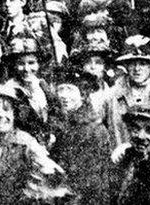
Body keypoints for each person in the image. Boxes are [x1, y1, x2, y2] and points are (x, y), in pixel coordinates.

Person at [0, 85, 67, 204]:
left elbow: (49, 171)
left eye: (6, 110)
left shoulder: (25, 142)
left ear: (15, 114)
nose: (0, 115)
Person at [48, 67, 112, 204]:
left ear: (83, 95)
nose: (64, 95)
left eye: (70, 89)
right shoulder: (66, 123)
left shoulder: (91, 128)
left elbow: (89, 180)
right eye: (61, 89)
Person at [96, 35, 150, 146]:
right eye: (132, 63)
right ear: (126, 66)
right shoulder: (110, 96)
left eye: (143, 64)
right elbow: (96, 127)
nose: (137, 69)